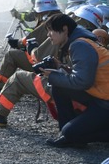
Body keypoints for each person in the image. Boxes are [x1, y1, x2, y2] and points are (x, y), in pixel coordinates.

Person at [40, 13, 109, 147]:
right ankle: (65, 134)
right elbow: (86, 75)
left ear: (65, 29)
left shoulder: (80, 45)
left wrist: (52, 76)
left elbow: (83, 82)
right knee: (59, 86)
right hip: (100, 95)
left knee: (71, 132)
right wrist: (60, 67)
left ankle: (72, 136)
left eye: (51, 30)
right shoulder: (81, 42)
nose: (48, 35)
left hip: (105, 103)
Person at [0, 0, 60, 99]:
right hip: (57, 63)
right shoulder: (60, 19)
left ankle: (0, 88)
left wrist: (16, 43)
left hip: (45, 62)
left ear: (42, 11)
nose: (37, 15)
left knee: (11, 55)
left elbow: (33, 38)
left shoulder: (49, 22)